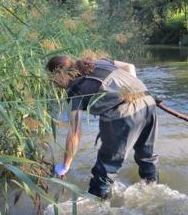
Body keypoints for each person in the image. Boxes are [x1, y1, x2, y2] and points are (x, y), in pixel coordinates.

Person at [46, 55, 158, 199]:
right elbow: (130, 67)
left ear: (58, 75)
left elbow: (75, 132)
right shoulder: (99, 62)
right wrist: (133, 93)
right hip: (148, 101)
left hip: (124, 113)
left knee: (105, 168)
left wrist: (65, 166)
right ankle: (153, 193)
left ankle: (95, 208)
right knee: (146, 157)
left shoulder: (76, 87)